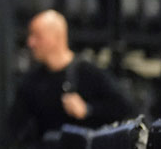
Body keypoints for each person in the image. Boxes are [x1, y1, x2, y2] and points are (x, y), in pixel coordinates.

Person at [8, 10, 135, 146]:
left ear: (55, 37)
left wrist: (88, 110)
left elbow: (124, 108)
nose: (30, 42)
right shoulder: (31, 82)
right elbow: (13, 129)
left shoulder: (88, 73)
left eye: (37, 36)